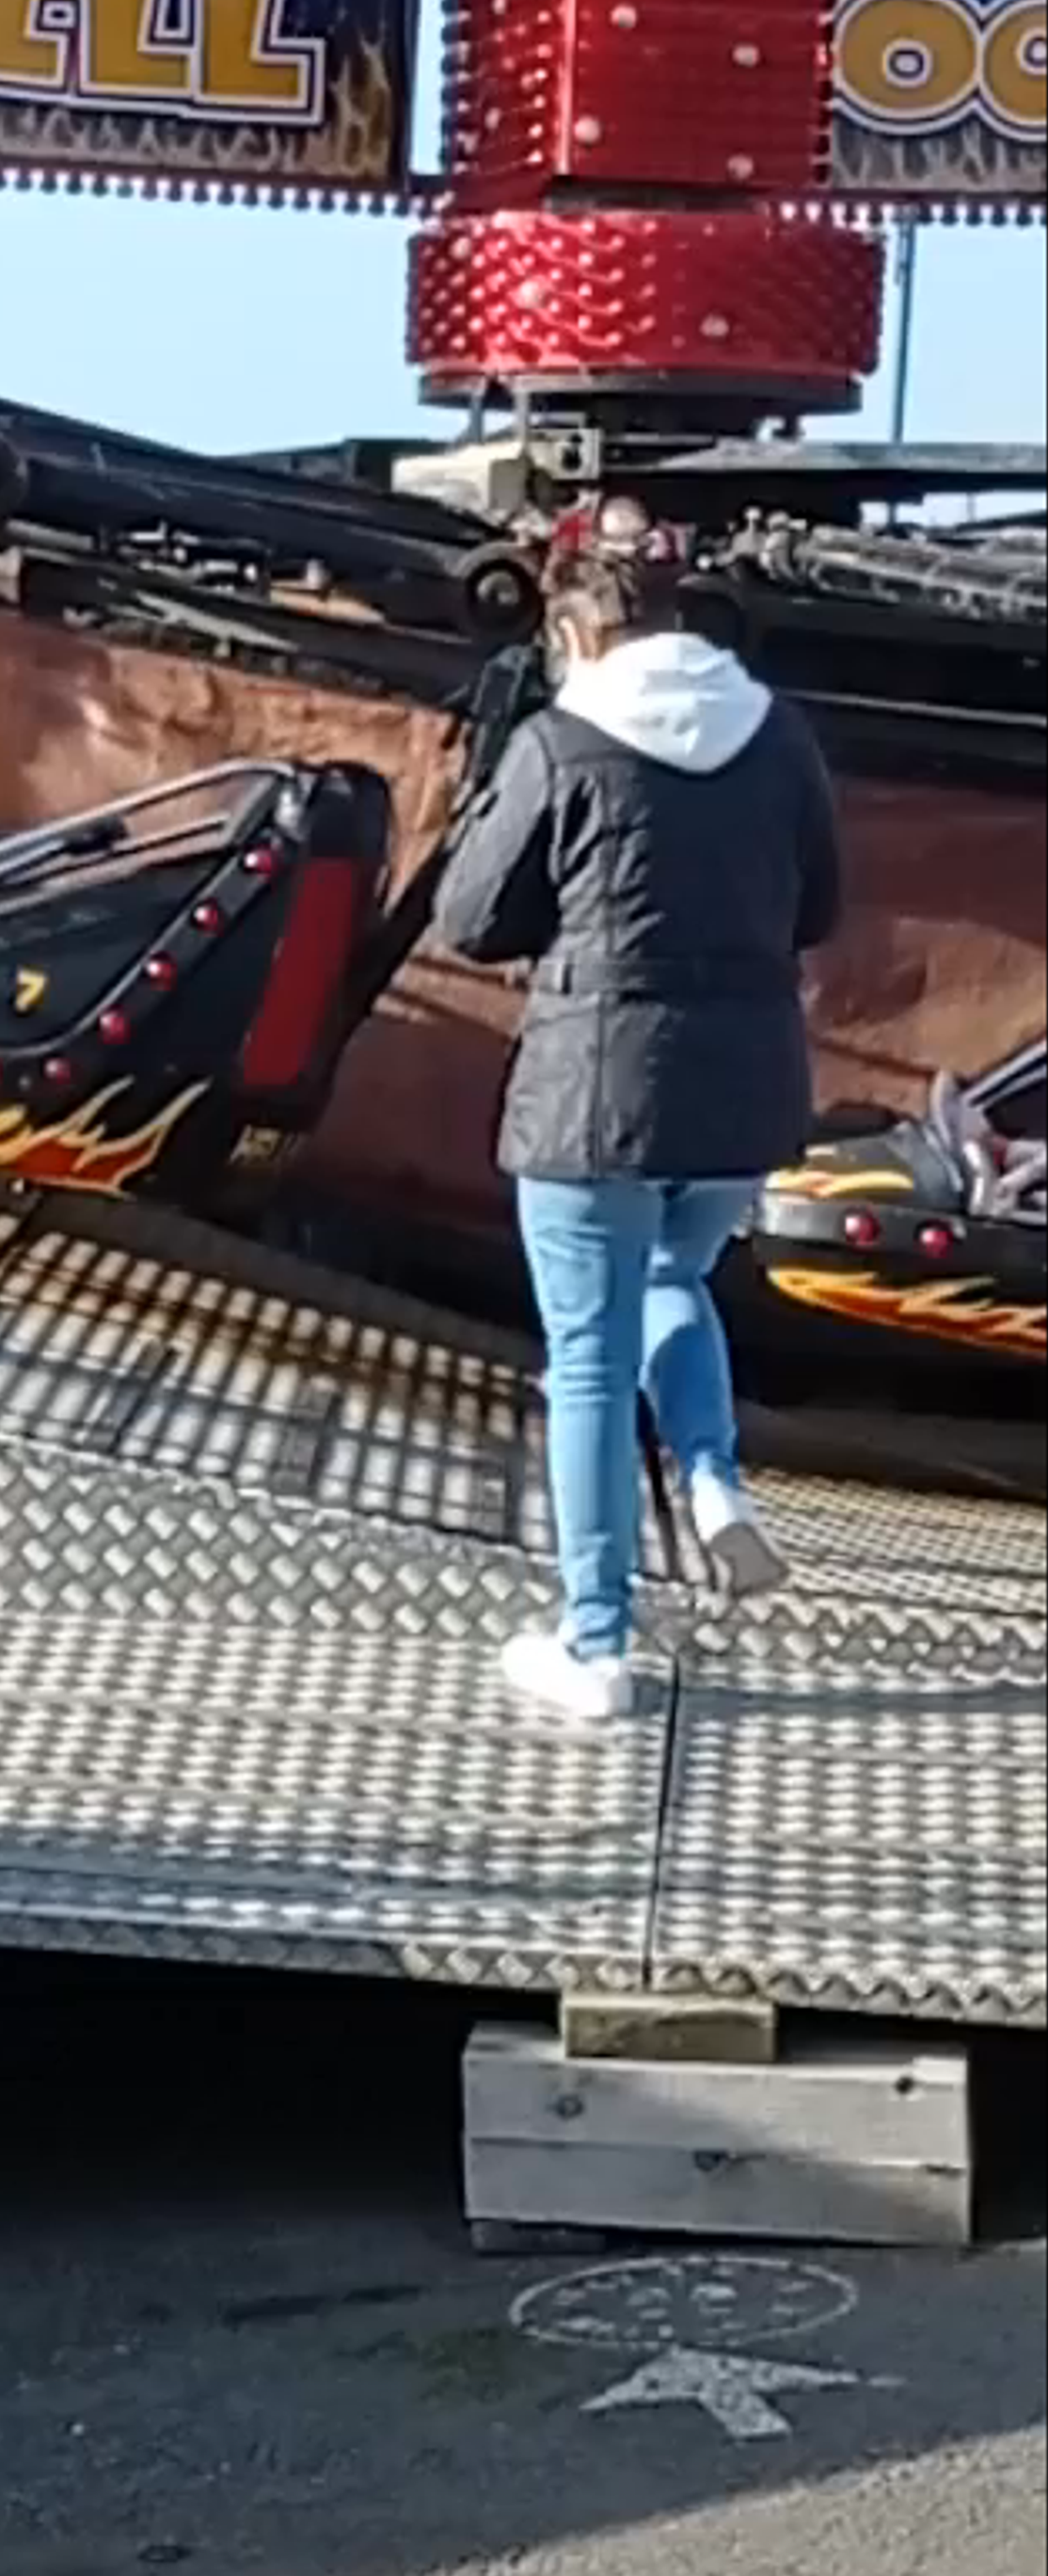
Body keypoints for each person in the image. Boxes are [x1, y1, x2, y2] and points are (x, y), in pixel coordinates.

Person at [434, 503, 842, 1728]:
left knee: (589, 1362)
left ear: (573, 627)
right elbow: (819, 907)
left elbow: (469, 917)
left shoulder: (562, 740)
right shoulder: (779, 733)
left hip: (594, 1091)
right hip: (744, 1087)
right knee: (677, 1270)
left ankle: (596, 1640)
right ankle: (716, 1484)